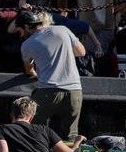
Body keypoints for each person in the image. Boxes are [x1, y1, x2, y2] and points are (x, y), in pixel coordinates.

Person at [16, 10, 85, 139]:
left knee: (28, 126)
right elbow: (81, 52)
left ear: (26, 27)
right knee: (70, 135)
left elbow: (28, 68)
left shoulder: (27, 44)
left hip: (48, 91)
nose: (20, 35)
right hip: (75, 90)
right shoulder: (63, 30)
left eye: (20, 30)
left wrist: (33, 71)